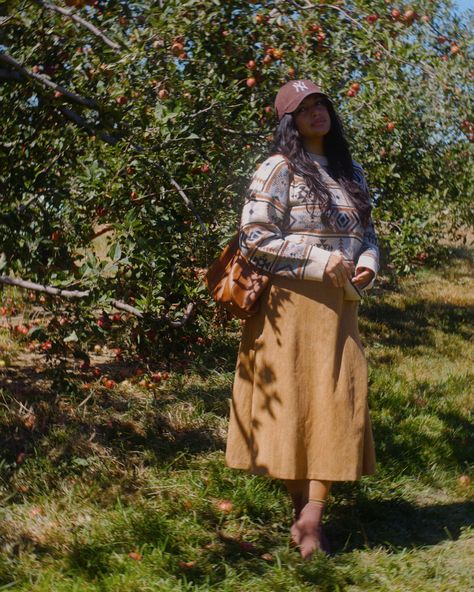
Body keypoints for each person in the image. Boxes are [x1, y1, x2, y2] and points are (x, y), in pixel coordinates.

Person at [224, 80, 379, 560]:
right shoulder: (277, 169)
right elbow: (254, 237)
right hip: (286, 308)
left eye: (321, 105)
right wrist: (316, 259)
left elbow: (368, 232)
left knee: (339, 404)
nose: (317, 114)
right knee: (291, 410)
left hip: (339, 309)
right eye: (305, 108)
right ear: (289, 121)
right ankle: (305, 518)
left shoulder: (350, 170)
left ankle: (313, 513)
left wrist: (369, 261)